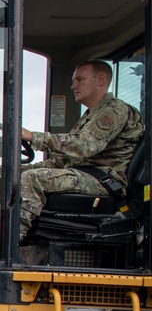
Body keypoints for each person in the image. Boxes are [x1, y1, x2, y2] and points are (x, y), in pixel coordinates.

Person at [19, 60, 143, 240]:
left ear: (100, 80)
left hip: (105, 180)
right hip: (86, 174)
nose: (73, 85)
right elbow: (64, 160)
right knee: (15, 175)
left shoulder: (115, 110)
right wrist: (17, 168)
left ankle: (12, 242)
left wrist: (33, 137)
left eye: (79, 79)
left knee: (32, 179)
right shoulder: (91, 115)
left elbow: (85, 146)